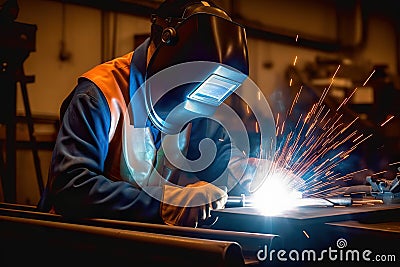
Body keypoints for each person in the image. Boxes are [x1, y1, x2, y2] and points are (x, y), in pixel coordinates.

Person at [38, 0, 258, 227]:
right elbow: (70, 187)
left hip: (145, 244)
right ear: (167, 45)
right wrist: (162, 204)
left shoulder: (194, 97)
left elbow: (212, 151)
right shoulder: (100, 95)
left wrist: (242, 170)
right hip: (80, 245)